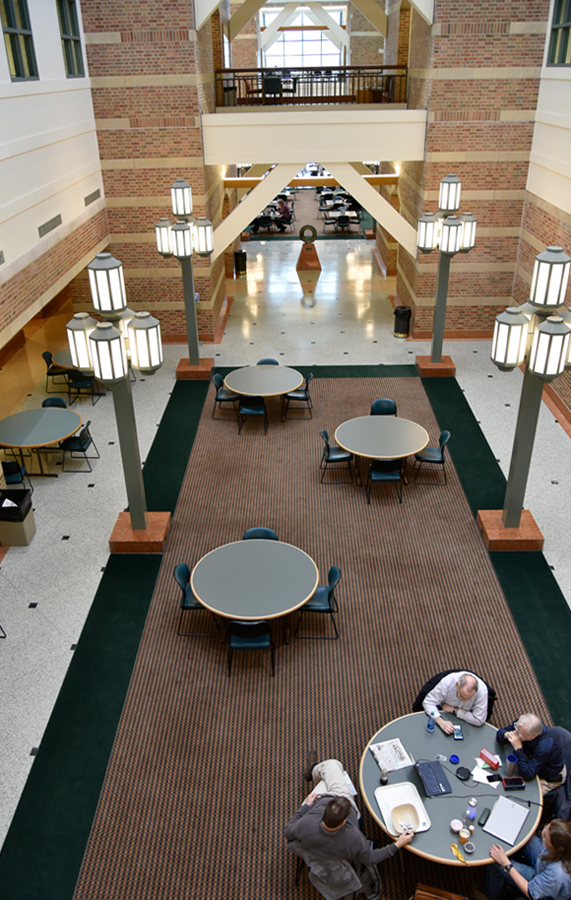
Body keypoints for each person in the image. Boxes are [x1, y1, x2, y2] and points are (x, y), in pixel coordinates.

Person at [284, 755, 413, 873]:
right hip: (336, 852)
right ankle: (314, 770)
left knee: (328, 775)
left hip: (313, 844)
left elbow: (287, 831)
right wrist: (398, 844)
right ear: (344, 821)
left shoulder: (305, 824)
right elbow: (371, 859)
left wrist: (306, 806)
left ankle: (313, 770)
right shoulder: (354, 838)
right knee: (334, 767)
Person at [482, 819, 571, 900]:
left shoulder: (556, 875)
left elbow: (531, 892)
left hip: (541, 883)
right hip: (546, 859)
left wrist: (506, 863)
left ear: (558, 848)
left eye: (545, 837)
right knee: (525, 838)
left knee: (497, 865)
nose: (542, 832)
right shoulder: (564, 845)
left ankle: (489, 896)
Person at [497, 713, 566, 795]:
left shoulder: (543, 747)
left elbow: (528, 774)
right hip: (530, 758)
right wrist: (506, 735)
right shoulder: (522, 726)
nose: (516, 733)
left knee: (521, 796)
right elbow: (500, 734)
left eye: (521, 734)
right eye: (516, 728)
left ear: (533, 736)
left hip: (547, 777)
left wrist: (518, 749)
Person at [422, 671, 488, 732]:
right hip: (442, 709)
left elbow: (479, 720)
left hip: (464, 716)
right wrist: (440, 721)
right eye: (461, 696)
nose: (464, 700)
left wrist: (454, 710)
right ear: (457, 685)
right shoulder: (447, 682)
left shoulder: (482, 692)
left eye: (468, 698)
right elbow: (428, 702)